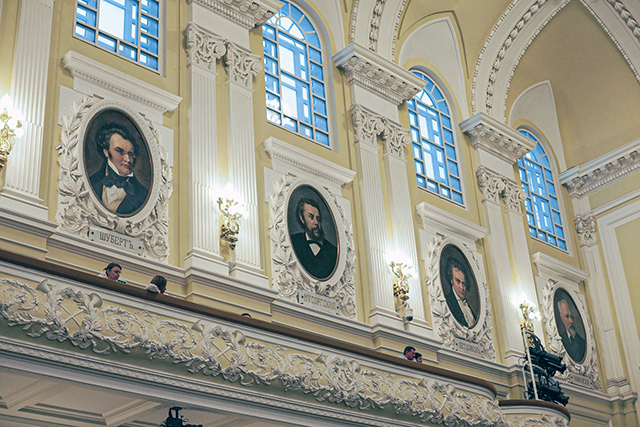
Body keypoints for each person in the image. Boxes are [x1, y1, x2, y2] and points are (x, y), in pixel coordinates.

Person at [89, 122, 148, 215]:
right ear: (106, 152)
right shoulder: (91, 181)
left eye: (130, 154)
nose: (127, 159)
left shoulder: (143, 194)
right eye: (120, 151)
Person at [290, 197, 338, 280]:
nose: (316, 222)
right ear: (302, 218)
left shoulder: (333, 251)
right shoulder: (293, 242)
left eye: (318, 218)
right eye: (311, 217)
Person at [444, 257, 477, 328]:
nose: (461, 287)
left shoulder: (467, 305)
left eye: (464, 283)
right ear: (451, 280)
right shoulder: (447, 301)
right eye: (458, 281)